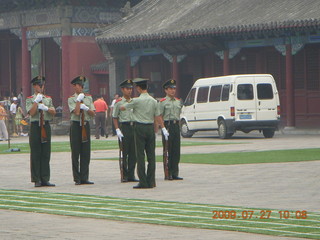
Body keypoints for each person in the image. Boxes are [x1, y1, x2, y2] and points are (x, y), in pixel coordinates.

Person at [121, 78, 169, 189]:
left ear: (138, 88)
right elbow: (157, 116)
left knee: (140, 155)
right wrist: (162, 128)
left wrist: (130, 108)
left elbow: (123, 107)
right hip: (150, 128)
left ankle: (143, 181)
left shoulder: (136, 100)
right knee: (151, 155)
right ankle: (151, 180)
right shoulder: (153, 101)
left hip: (139, 127)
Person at [26, 76, 56, 187]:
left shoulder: (47, 98)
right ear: (34, 86)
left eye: (42, 85)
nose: (41, 87)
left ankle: (45, 178)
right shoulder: (30, 99)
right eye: (39, 85)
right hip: (35, 126)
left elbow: (53, 111)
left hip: (45, 125)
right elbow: (31, 113)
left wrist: (46, 108)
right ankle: (36, 179)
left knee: (45, 153)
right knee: (36, 153)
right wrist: (36, 102)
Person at [68, 75, 95, 185]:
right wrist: (79, 101)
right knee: (76, 152)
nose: (80, 87)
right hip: (76, 126)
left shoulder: (88, 98)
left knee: (86, 152)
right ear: (74, 87)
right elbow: (77, 112)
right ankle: (77, 178)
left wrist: (87, 108)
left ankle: (85, 177)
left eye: (82, 85)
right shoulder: (71, 99)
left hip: (85, 125)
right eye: (78, 85)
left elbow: (93, 113)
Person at [112, 79, 138, 182]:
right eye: (127, 88)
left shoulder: (134, 101)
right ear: (122, 89)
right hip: (124, 127)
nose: (130, 90)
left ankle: (131, 175)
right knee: (124, 152)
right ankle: (124, 174)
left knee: (133, 153)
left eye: (131, 88)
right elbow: (114, 117)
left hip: (134, 127)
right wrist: (117, 130)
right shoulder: (118, 102)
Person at [159, 79, 183, 180]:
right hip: (167, 126)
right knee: (168, 150)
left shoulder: (178, 101)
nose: (173, 90)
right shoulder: (162, 102)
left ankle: (175, 172)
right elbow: (159, 116)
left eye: (174, 88)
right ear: (166, 90)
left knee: (176, 150)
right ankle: (167, 172)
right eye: (170, 89)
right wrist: (163, 128)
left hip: (176, 126)